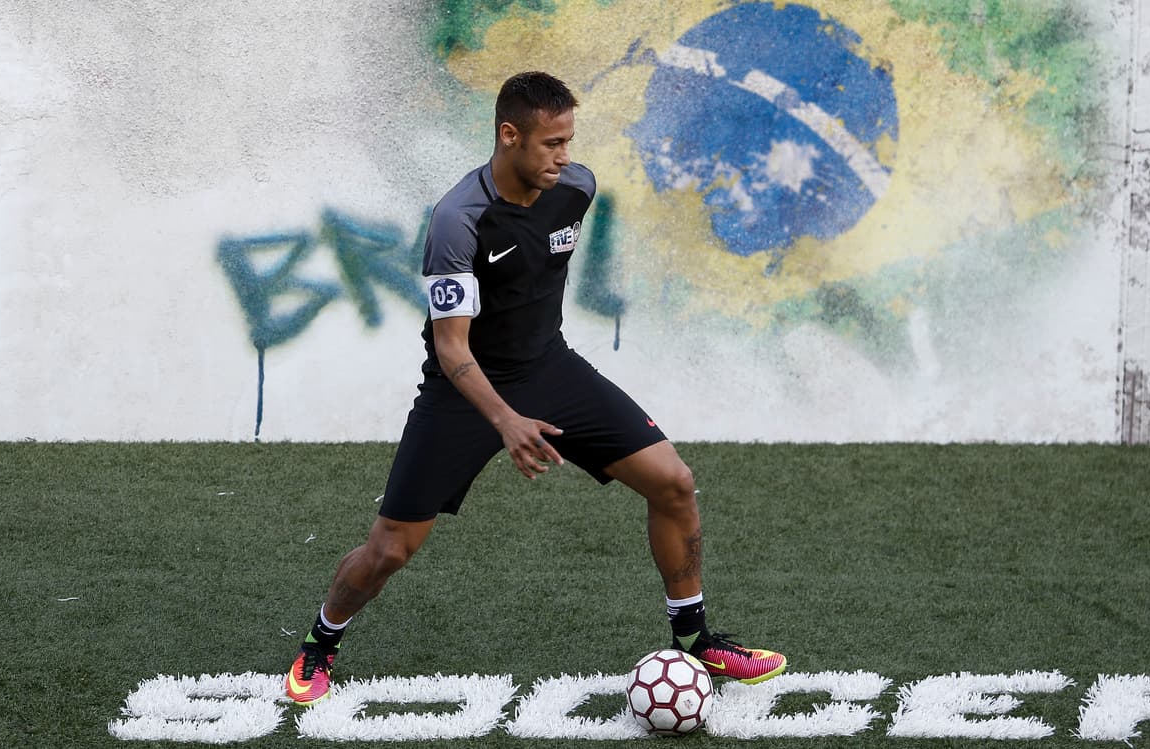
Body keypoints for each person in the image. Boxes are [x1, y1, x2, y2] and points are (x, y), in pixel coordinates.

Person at [285, 71, 786, 705]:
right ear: (509, 135)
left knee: (674, 483)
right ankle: (320, 642)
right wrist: (506, 420)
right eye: (552, 143)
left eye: (569, 141)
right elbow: (452, 347)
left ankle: (695, 639)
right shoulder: (457, 221)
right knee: (389, 549)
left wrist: (533, 391)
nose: (564, 156)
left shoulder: (575, 188)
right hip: (463, 391)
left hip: (550, 368)